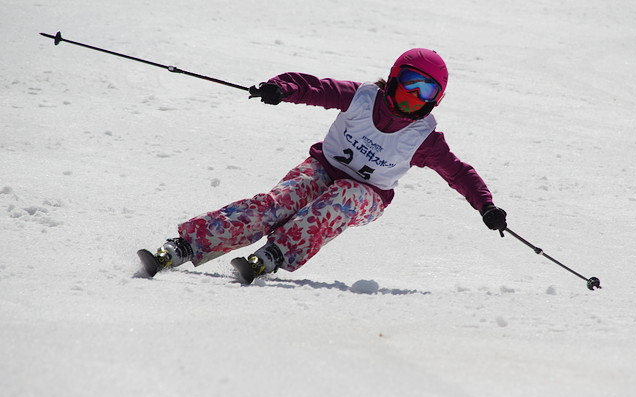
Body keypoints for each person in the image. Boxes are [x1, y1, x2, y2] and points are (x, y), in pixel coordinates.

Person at [138, 48, 507, 283]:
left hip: (368, 196)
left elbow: (459, 173)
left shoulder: (424, 138)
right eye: (410, 83)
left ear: (435, 100)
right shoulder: (362, 98)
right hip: (322, 168)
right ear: (394, 78)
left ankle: (276, 253)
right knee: (279, 203)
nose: (413, 96)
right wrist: (281, 88)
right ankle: (187, 245)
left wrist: (486, 206)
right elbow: (314, 87)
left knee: (342, 196)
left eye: (425, 91)